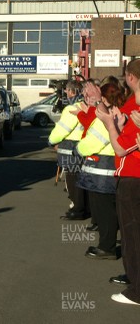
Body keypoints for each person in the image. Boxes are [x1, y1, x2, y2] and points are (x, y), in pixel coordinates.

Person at [96, 58, 140, 306]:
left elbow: (122, 148)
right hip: (131, 175)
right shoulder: (133, 104)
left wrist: (110, 124)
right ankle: (134, 278)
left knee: (132, 234)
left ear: (130, 77)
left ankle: (137, 290)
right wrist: (121, 125)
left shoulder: (136, 104)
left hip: (133, 177)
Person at [75, 82, 126, 260]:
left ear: (103, 98)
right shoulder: (114, 114)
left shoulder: (106, 117)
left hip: (102, 175)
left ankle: (107, 247)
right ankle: (108, 244)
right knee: (108, 211)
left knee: (105, 212)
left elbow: (91, 143)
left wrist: (78, 149)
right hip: (103, 173)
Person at [49, 82, 88, 220]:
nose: (65, 93)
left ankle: (77, 209)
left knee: (73, 180)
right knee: (81, 178)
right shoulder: (84, 106)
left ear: (71, 92)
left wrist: (51, 140)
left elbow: (62, 129)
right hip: (82, 147)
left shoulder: (72, 108)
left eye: (66, 91)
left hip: (71, 149)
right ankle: (83, 207)